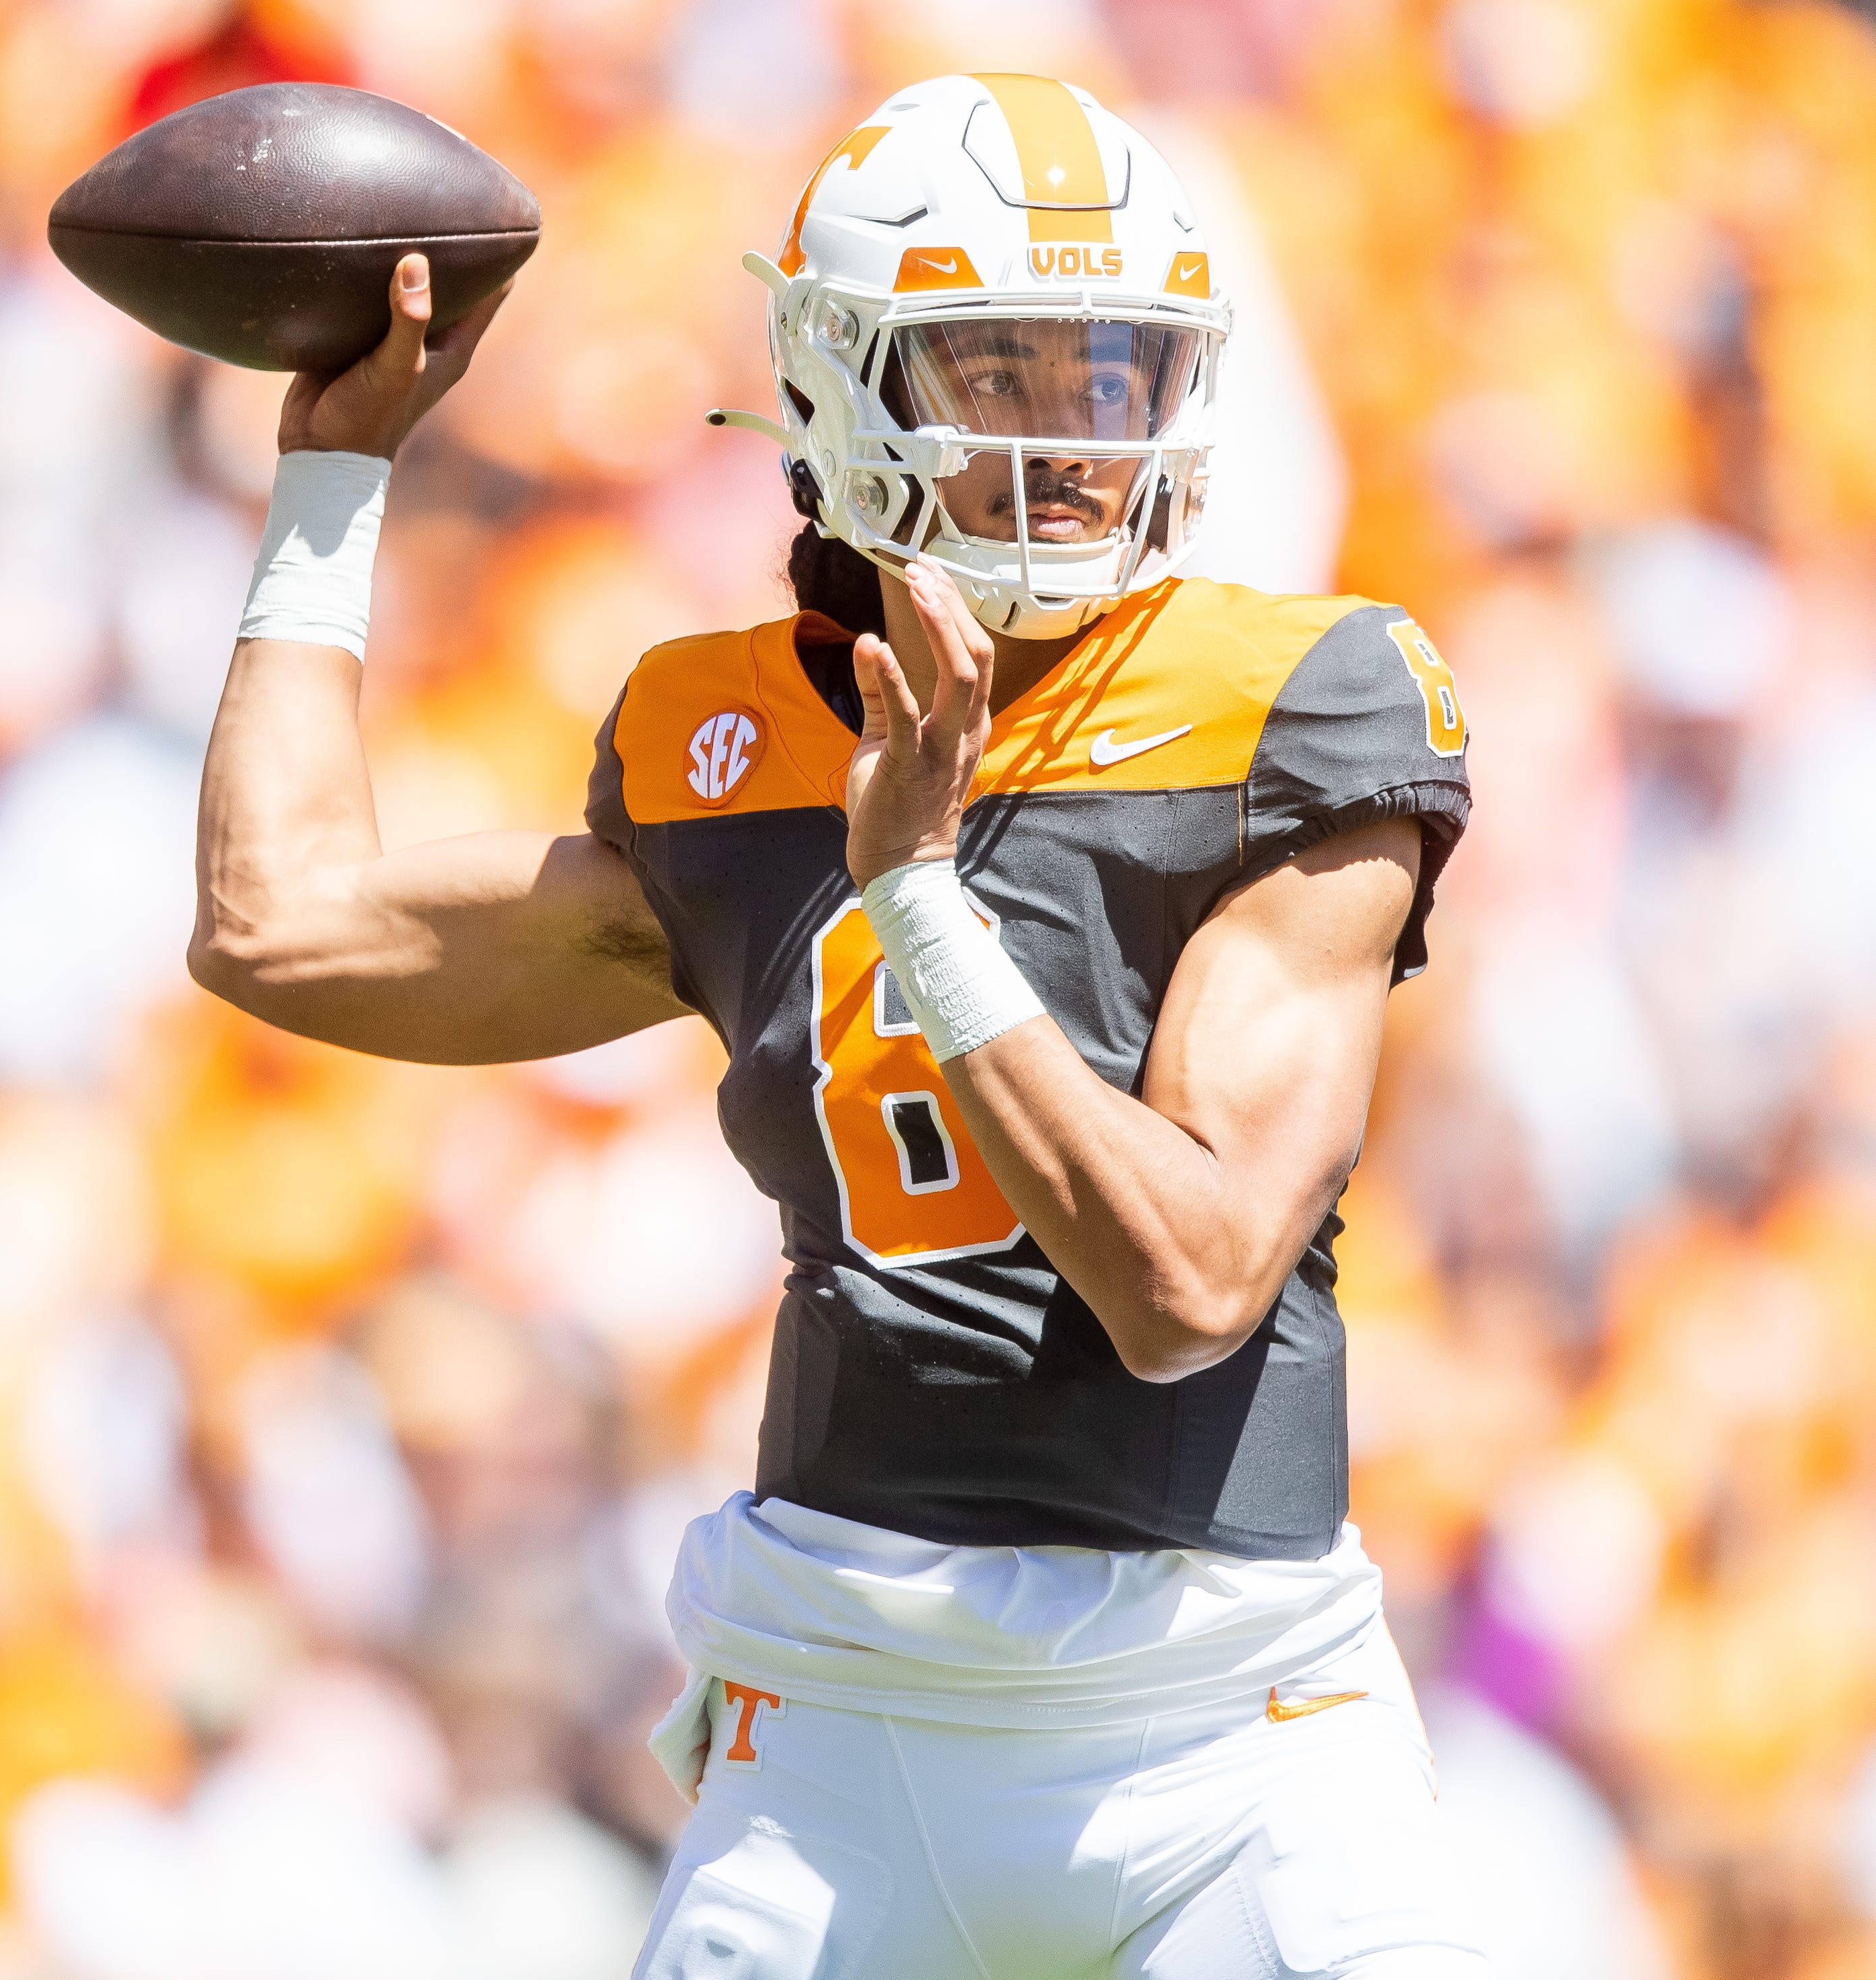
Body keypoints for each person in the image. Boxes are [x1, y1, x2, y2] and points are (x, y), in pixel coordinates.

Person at [190, 72, 1484, 1979]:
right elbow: (275, 926)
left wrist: (920, 903)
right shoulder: (724, 745)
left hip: (1228, 1731)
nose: (1072, 440)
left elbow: (1188, 1278)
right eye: (1003, 376)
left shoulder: (1297, 698)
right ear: (841, 387)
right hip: (841, 1716)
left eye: (1111, 375)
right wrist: (330, 483)